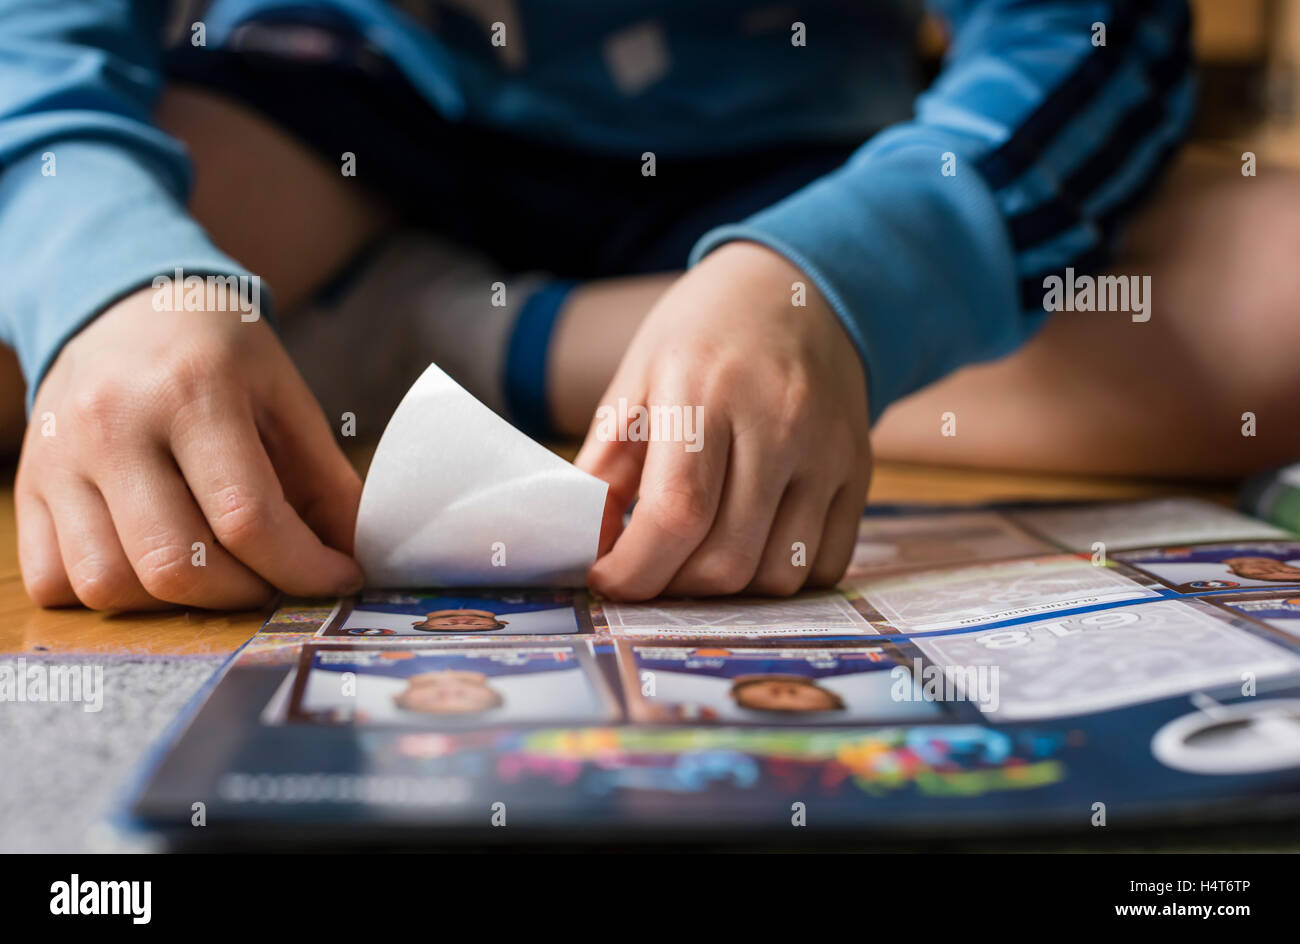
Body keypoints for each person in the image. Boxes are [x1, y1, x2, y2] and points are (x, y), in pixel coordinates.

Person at [7, 1, 1291, 614]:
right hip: (330, 117)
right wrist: (118, 284)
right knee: (58, 317)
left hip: (795, 165)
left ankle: (467, 336)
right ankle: (580, 335)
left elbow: (1090, 34)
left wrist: (830, 283)